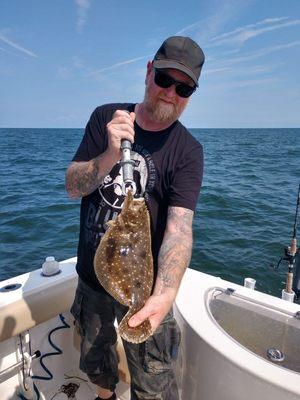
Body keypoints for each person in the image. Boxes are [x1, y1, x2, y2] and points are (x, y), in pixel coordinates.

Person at [65, 36, 205, 400]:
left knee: (154, 383)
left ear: (190, 93)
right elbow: (73, 187)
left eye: (184, 87)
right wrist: (110, 154)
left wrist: (165, 295)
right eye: (164, 80)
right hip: (92, 281)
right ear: (148, 72)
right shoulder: (106, 118)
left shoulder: (188, 151)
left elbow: (179, 229)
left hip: (144, 292)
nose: (171, 93)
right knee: (95, 361)